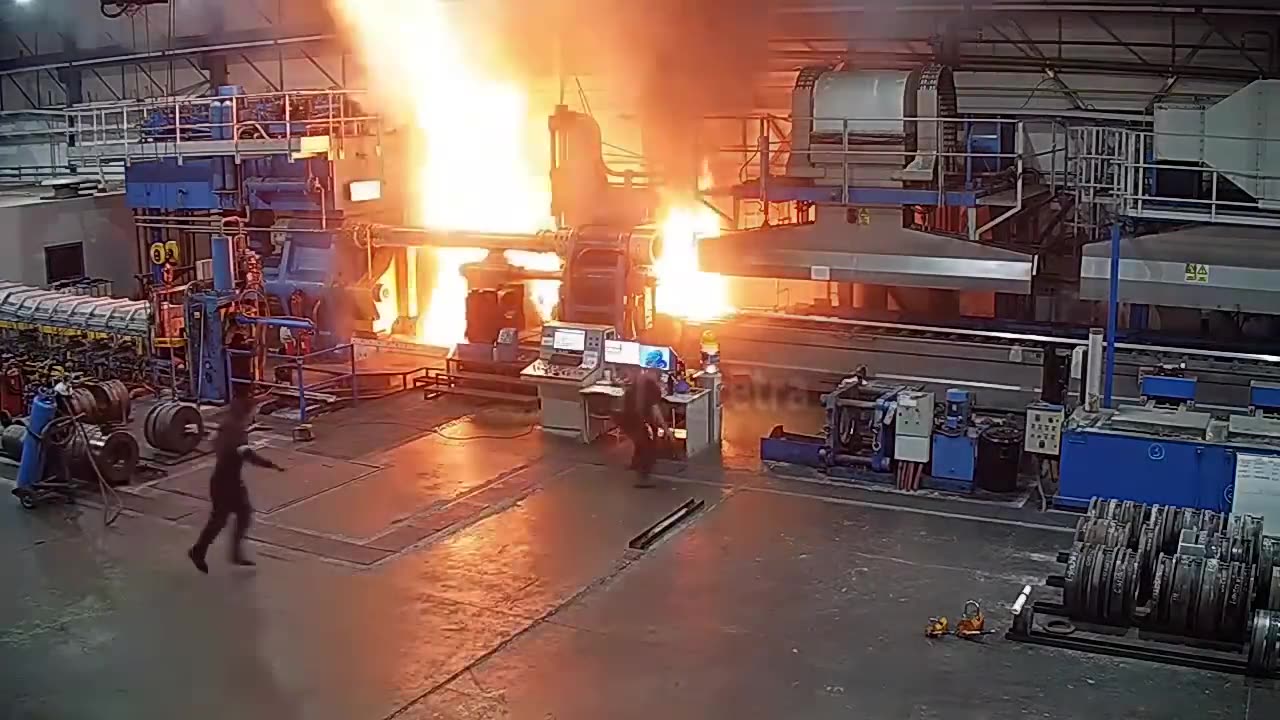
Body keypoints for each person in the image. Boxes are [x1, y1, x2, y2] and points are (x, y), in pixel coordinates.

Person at [188, 398, 284, 573]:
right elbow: (247, 454)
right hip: (227, 483)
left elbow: (214, 442)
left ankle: (208, 550)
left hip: (222, 480)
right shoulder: (237, 431)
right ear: (246, 413)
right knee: (227, 517)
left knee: (231, 516)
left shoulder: (225, 426)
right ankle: (205, 550)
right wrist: (270, 464)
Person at [620, 367, 668, 488]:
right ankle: (643, 478)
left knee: (639, 442)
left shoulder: (638, 382)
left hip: (627, 419)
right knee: (649, 447)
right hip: (640, 419)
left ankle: (635, 464)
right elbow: (655, 410)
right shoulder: (653, 387)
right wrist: (667, 430)